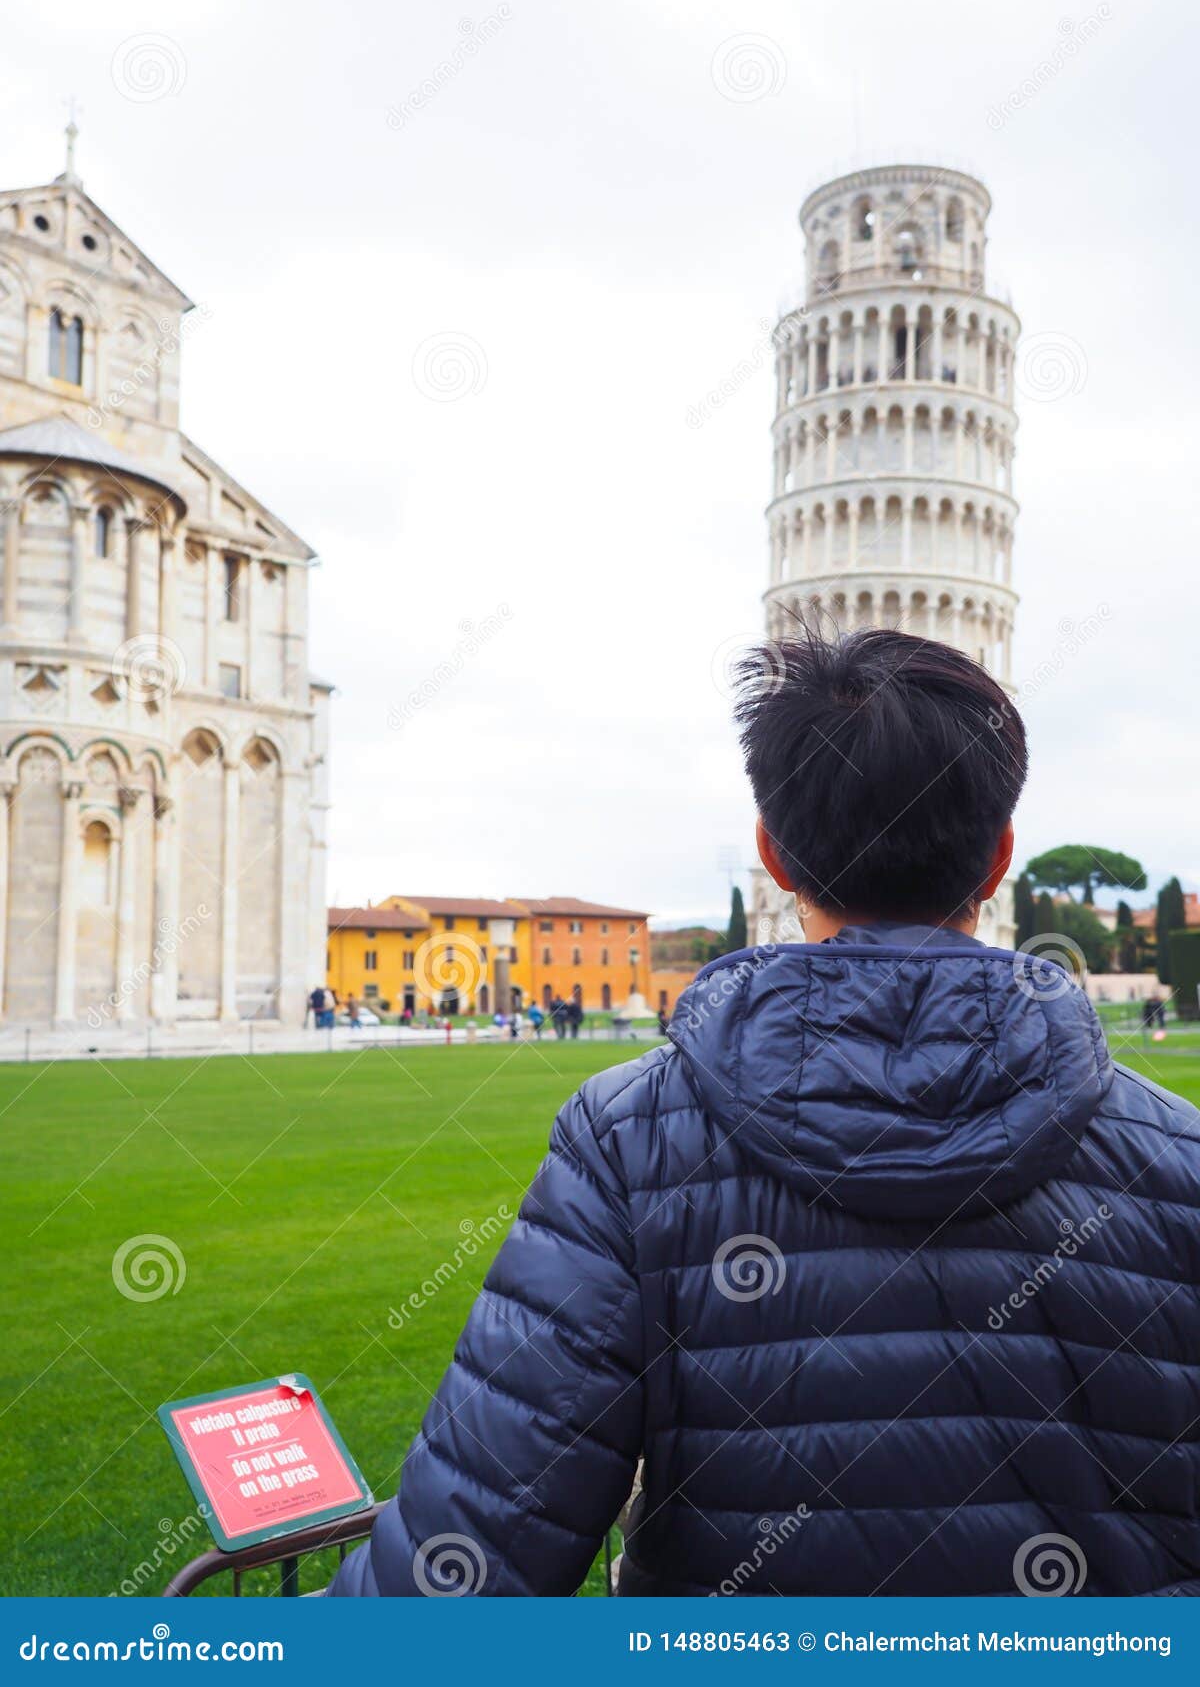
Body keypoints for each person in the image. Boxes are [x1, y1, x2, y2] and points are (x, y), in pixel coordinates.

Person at [329, 630, 1200, 1598]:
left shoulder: (625, 1140)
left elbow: (463, 1570)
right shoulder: (1179, 1156)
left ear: (772, 852)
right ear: (999, 860)